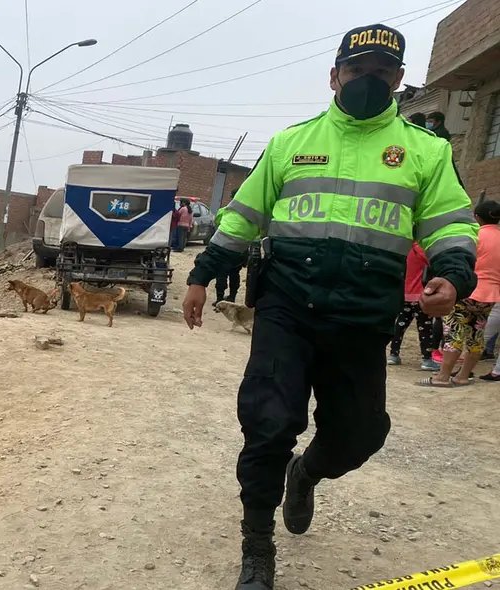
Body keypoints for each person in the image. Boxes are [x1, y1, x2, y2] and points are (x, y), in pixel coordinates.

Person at [181, 24, 478, 590]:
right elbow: (243, 217)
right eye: (358, 69)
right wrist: (202, 274)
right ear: (335, 74)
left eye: (383, 73)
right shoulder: (290, 143)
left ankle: (307, 472)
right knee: (268, 424)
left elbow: (450, 223)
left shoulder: (427, 151)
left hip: (363, 316)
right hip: (288, 306)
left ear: (398, 81)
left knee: (360, 433)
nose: (369, 80)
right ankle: (257, 551)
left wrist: (452, 275)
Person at [425, 200, 500, 386]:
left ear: (477, 217)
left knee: (454, 332)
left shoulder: (475, 235)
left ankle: (443, 377)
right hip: (490, 295)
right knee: (477, 334)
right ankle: (463, 376)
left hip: (469, 291)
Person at [387, 244, 440, 371]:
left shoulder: (404, 249)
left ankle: (393, 354)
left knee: (399, 325)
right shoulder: (421, 250)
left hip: (405, 294)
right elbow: (433, 262)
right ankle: (427, 359)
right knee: (425, 328)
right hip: (421, 295)